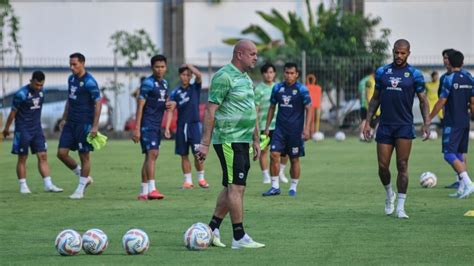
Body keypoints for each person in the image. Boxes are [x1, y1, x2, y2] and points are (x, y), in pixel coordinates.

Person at [197, 40, 265, 249]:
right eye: (252, 54)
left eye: (256, 54)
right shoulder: (223, 76)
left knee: (233, 187)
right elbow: (210, 110)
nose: (256, 57)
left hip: (243, 140)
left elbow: (250, 109)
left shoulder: (245, 78)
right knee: (236, 187)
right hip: (228, 139)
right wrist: (205, 144)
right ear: (239, 55)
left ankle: (213, 228)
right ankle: (239, 237)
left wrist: (255, 138)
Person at [363, 39, 430, 219]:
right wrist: (367, 122)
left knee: (402, 165)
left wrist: (426, 122)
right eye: (396, 52)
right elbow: (375, 99)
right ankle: (389, 194)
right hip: (385, 125)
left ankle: (400, 206)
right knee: (383, 167)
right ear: (393, 51)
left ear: (408, 53)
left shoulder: (414, 74)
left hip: (404, 126)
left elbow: (423, 100)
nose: (399, 56)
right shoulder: (382, 72)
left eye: (403, 53)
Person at [2, 71, 63, 194]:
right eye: (36, 85)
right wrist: (6, 129)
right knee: (23, 158)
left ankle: (48, 184)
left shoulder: (42, 92)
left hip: (36, 129)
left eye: (41, 85)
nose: (38, 87)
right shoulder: (21, 94)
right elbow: (13, 113)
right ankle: (23, 185)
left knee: (42, 156)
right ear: (31, 81)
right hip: (23, 129)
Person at [261, 62, 313, 197]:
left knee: (294, 159)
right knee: (273, 155)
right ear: (283, 73)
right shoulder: (277, 88)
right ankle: (274, 187)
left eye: (292, 73)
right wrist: (267, 127)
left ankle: (293, 187)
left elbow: (309, 109)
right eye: (286, 73)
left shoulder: (302, 89)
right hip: (279, 130)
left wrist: (307, 129)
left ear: (296, 75)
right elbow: (272, 107)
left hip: (295, 132)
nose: (289, 76)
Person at [428, 50, 474, 199]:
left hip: (452, 121)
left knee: (448, 154)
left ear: (450, 61)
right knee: (460, 153)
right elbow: (472, 102)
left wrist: (429, 118)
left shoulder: (448, 79)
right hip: (465, 120)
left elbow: (442, 101)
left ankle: (468, 183)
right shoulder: (469, 77)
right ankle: (462, 188)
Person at [57, 53, 102, 199]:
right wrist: (64, 118)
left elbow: (98, 103)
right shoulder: (71, 79)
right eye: (70, 64)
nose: (72, 67)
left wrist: (95, 126)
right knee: (61, 153)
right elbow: (69, 100)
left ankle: (80, 190)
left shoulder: (89, 82)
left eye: (75, 64)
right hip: (70, 123)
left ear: (82, 63)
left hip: (84, 124)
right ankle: (84, 176)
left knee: (84, 156)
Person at [132, 55, 175, 200]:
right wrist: (137, 128)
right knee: (152, 154)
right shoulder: (148, 83)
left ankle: (143, 192)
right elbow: (140, 105)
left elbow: (165, 103)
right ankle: (152, 189)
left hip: (156, 125)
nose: (160, 69)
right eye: (157, 67)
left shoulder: (164, 83)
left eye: (162, 67)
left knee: (150, 156)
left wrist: (170, 104)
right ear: (152, 68)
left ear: (166, 68)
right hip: (147, 124)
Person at [166, 64, 209, 189]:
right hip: (181, 127)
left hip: (194, 126)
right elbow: (170, 110)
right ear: (180, 76)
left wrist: (188, 65)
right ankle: (188, 182)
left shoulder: (195, 88)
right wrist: (168, 127)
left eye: (188, 75)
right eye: (183, 74)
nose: (185, 77)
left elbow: (199, 75)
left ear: (191, 76)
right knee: (183, 155)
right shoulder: (175, 92)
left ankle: (201, 179)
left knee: (198, 154)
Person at [254, 63, 289, 184]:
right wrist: (257, 126)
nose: (269, 75)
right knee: (264, 151)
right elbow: (255, 109)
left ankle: (281, 172)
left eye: (271, 72)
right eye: (266, 72)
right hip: (265, 125)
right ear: (262, 74)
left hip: (280, 125)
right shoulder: (259, 89)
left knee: (285, 151)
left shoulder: (279, 87)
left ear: (274, 74)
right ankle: (266, 175)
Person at [438, 49, 460, 189]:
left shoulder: (464, 76)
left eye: (447, 58)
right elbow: (443, 100)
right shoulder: (443, 78)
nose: (445, 60)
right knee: (457, 152)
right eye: (443, 58)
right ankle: (461, 181)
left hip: (456, 120)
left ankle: (464, 180)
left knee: (452, 153)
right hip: (449, 119)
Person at [358, 67, 374, 140]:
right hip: (369, 103)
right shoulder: (371, 80)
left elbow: (359, 93)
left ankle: (362, 134)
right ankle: (366, 134)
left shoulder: (361, 81)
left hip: (362, 103)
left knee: (363, 119)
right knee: (368, 120)